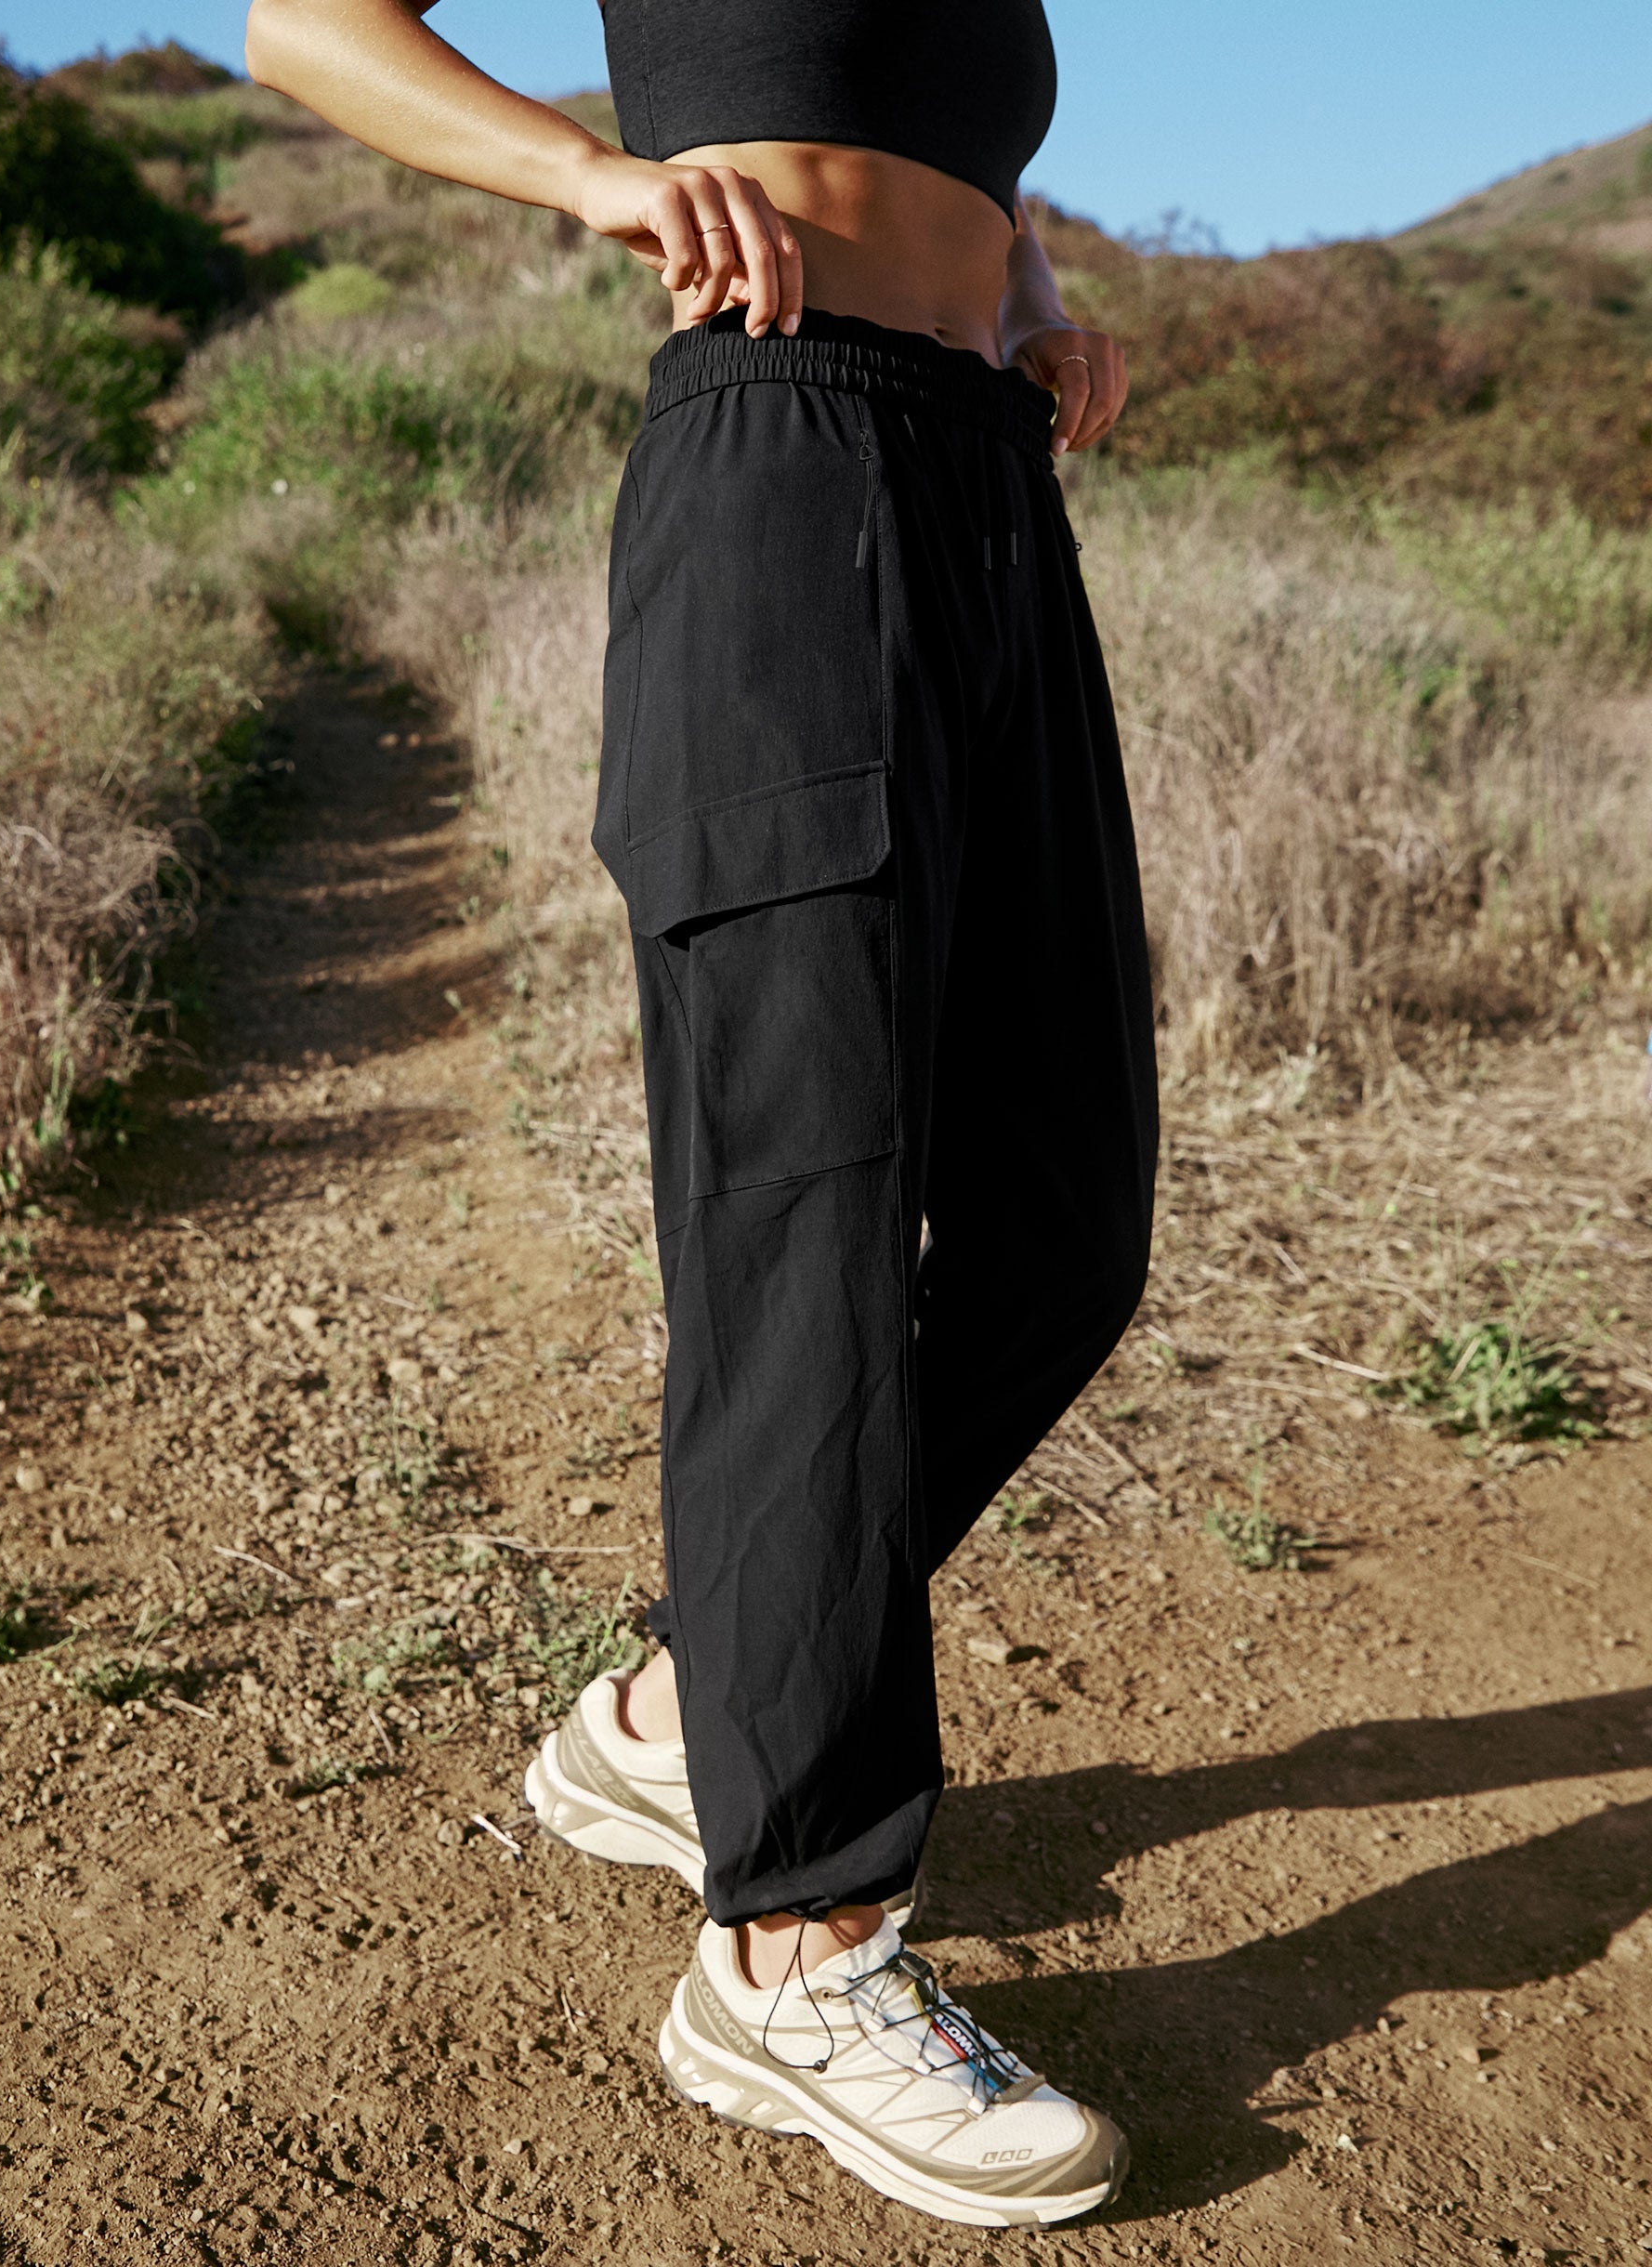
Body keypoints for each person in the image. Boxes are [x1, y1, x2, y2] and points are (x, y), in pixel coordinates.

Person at [245, 0, 1158, 2226]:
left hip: (985, 490)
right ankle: (795, 1942)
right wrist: (588, 176)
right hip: (785, 475)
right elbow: (297, 23)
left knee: (1067, 1217)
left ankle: (677, 1718)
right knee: (807, 1235)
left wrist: (1028, 297)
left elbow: (929, 148)